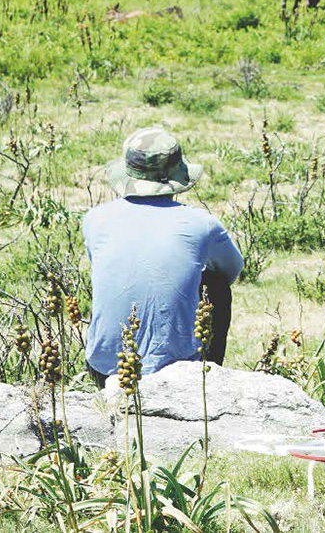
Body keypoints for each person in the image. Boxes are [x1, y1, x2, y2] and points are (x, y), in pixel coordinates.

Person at [83, 127, 243, 387]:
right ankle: (207, 376)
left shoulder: (94, 219)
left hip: (103, 367)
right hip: (177, 371)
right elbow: (230, 272)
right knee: (216, 287)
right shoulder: (202, 224)